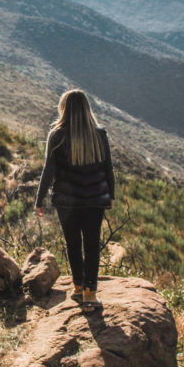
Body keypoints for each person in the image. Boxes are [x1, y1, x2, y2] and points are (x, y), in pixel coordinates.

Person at [34, 89, 115, 312]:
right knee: (91, 246)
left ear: (64, 108)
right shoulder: (99, 134)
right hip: (94, 200)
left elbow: (48, 170)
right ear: (87, 109)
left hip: (67, 202)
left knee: (73, 244)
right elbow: (108, 168)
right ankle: (91, 293)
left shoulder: (57, 135)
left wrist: (39, 199)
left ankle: (78, 288)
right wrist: (111, 195)